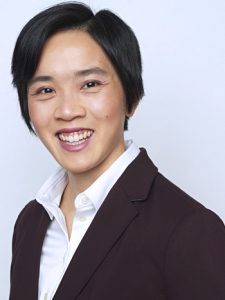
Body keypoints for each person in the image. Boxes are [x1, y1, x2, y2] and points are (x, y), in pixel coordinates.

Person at [10, 2, 225, 300]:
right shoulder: (30, 223)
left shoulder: (188, 230)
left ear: (131, 98)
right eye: (45, 90)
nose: (68, 110)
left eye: (89, 84)